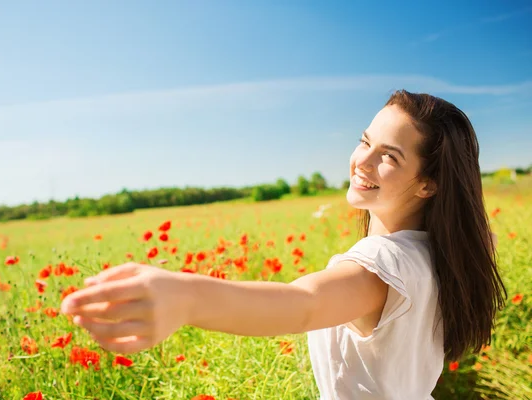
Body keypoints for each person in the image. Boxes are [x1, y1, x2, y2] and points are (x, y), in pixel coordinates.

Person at [60, 90, 506, 400]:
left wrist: (185, 296)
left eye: (388, 156)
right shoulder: (436, 252)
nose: (362, 161)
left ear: (428, 184)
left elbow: (304, 304)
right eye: (365, 142)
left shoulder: (382, 264)